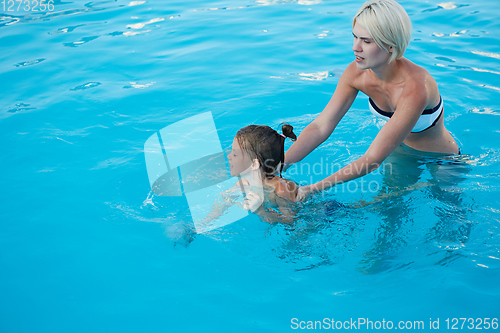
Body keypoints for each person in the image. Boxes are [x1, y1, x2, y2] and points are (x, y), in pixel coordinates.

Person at [284, 0, 460, 200]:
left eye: (366, 41)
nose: (355, 48)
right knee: (388, 210)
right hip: (400, 149)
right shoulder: (356, 74)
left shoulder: (416, 88)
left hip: (442, 159)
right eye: (355, 37)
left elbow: (373, 159)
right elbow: (321, 126)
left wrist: (312, 188)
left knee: (450, 217)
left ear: (391, 45)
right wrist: (280, 164)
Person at [203, 124, 300, 225]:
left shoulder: (280, 190)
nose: (229, 156)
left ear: (254, 164)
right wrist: (203, 224)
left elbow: (290, 221)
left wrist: (260, 211)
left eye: (235, 154)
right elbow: (222, 204)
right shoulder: (244, 183)